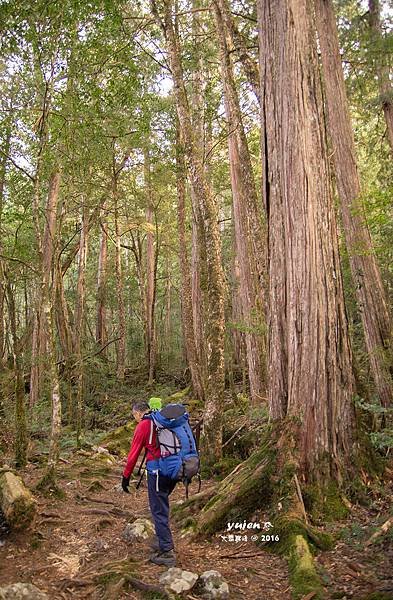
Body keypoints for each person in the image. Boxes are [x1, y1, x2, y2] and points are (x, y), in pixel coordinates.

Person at [121, 400, 177, 566]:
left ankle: (167, 552)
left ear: (138, 413)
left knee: (158, 509)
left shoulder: (144, 425)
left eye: (134, 416)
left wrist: (126, 477)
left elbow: (133, 454)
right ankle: (162, 541)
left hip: (157, 471)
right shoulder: (163, 421)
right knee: (162, 505)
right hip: (173, 469)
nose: (135, 419)